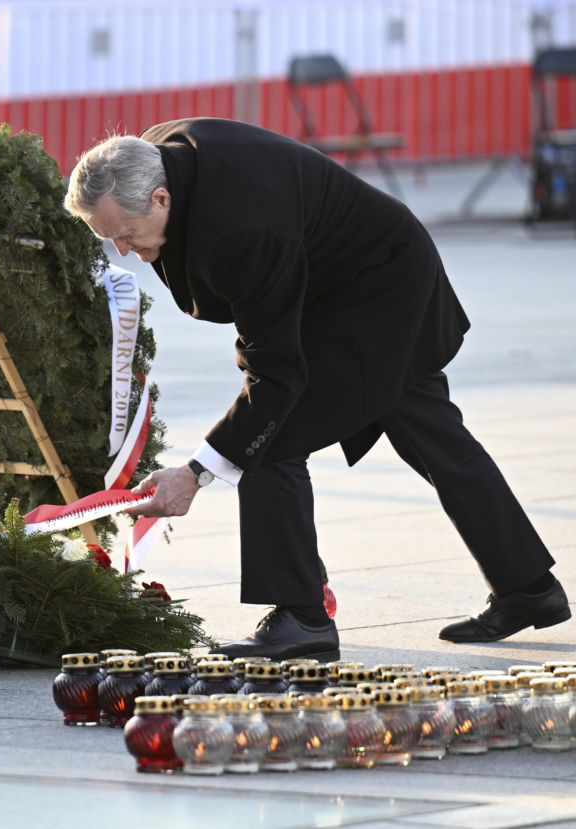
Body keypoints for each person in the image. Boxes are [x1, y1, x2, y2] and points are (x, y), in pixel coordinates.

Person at [64, 117, 570, 661]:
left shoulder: (238, 229)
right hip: (348, 273)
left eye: (125, 235)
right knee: (433, 435)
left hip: (376, 291)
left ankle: (300, 617)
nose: (121, 250)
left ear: (161, 198)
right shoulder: (154, 156)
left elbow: (274, 379)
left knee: (270, 440)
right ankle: (528, 590)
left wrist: (197, 472)